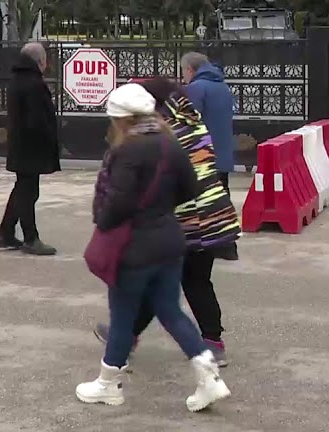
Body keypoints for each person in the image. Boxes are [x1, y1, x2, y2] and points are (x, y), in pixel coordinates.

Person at [75, 84, 231, 412]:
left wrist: (103, 220)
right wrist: (159, 210)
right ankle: (208, 378)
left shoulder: (126, 150)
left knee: (122, 316)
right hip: (170, 241)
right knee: (171, 311)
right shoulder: (170, 143)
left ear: (122, 120)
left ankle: (107, 384)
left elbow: (117, 202)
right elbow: (190, 187)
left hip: (134, 246)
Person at [0, 42, 59, 256]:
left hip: (21, 145)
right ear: (40, 60)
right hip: (32, 146)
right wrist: (49, 140)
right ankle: (31, 238)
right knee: (28, 192)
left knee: (22, 189)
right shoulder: (34, 84)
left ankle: (5, 233)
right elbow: (38, 120)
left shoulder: (17, 80)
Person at [181, 52, 235, 190]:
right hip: (223, 151)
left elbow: (189, 119)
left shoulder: (196, 88)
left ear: (189, 69)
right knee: (222, 192)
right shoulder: (222, 85)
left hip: (203, 154)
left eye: (183, 71)